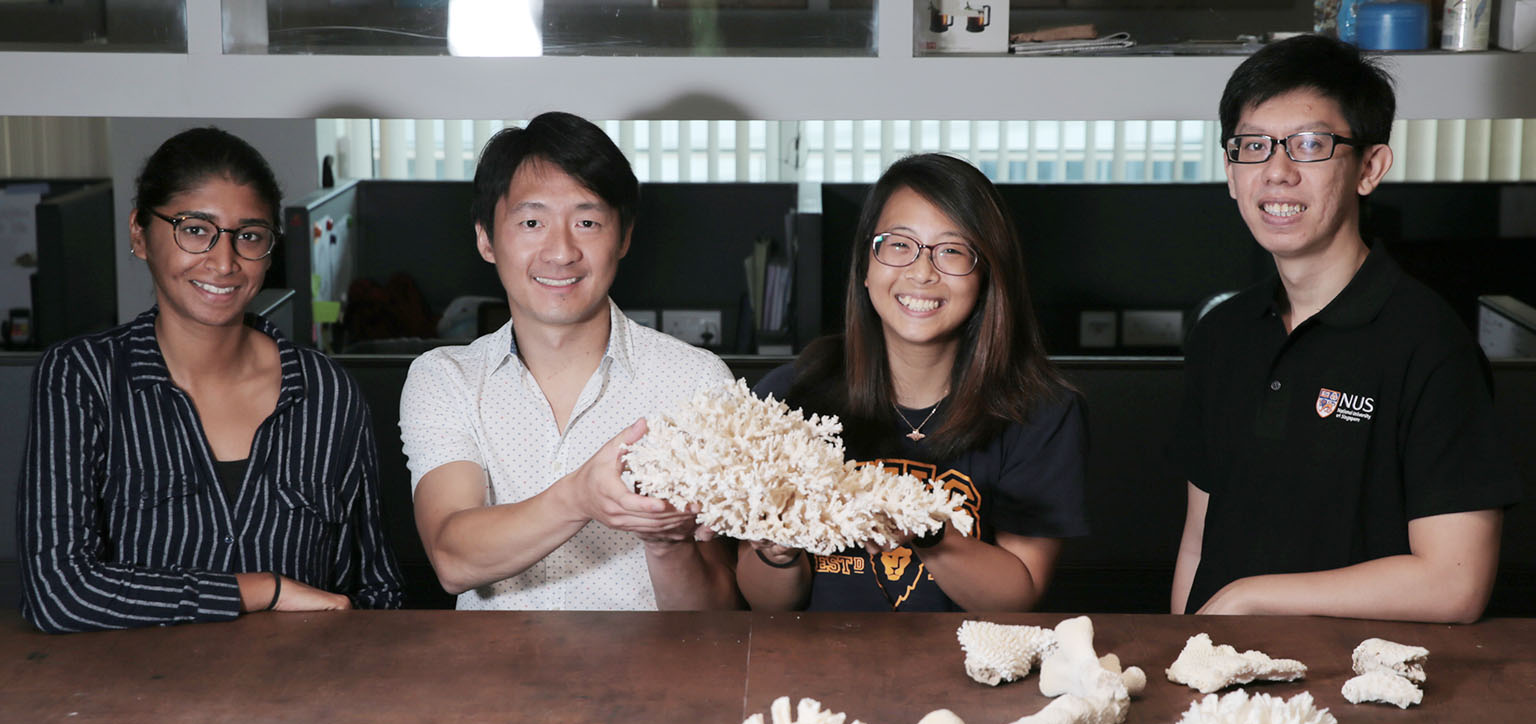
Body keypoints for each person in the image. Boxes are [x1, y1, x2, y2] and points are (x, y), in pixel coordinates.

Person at [1170, 35, 1521, 621]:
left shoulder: (1430, 343)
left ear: (1369, 167)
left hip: (1362, 693)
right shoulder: (1222, 333)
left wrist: (1249, 597)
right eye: (1253, 146)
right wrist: (1181, 656)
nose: (1277, 172)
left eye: (1310, 144)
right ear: (1231, 171)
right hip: (1225, 695)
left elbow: (1455, 583)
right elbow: (1198, 542)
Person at [18, 127, 403, 633]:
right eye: (195, 229)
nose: (224, 263)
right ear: (139, 233)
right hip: (134, 701)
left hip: (302, 697)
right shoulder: (83, 378)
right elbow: (58, 594)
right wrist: (261, 591)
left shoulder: (325, 391)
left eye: (249, 236)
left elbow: (374, 588)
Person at [399, 112, 738, 611]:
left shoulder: (696, 382)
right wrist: (580, 496)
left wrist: (669, 544)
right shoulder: (445, 379)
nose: (560, 252)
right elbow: (452, 557)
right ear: (486, 239)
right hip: (494, 680)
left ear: (622, 237)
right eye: (532, 222)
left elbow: (716, 616)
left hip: (651, 680)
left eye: (587, 222)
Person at [738, 153, 1087, 612]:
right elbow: (769, 606)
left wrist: (924, 530)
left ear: (986, 274)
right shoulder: (789, 397)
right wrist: (774, 551)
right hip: (817, 672)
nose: (922, 272)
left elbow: (1017, 595)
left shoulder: (1041, 412)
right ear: (866, 264)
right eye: (898, 244)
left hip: (968, 674)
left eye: (951, 250)